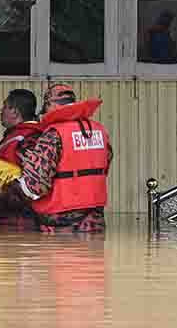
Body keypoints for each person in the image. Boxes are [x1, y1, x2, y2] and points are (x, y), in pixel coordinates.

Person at [9, 83, 113, 233]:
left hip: (61, 224)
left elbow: (36, 186)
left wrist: (12, 186)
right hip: (95, 221)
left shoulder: (54, 135)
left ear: (50, 106)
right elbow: (105, 165)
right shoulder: (100, 131)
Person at [0, 89, 42, 228]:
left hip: (16, 226)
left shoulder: (30, 138)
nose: (1, 110)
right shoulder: (16, 135)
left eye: (4, 106)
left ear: (15, 112)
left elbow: (34, 184)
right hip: (5, 225)